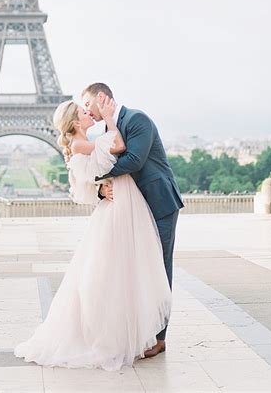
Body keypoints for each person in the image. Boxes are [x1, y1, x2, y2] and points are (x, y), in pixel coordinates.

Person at [14, 98, 172, 371]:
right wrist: (110, 121)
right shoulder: (81, 143)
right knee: (112, 272)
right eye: (83, 110)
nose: (88, 112)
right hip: (117, 207)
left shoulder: (91, 138)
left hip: (124, 204)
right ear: (75, 122)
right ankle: (111, 335)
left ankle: (128, 334)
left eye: (88, 106)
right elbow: (113, 155)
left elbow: (102, 165)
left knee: (121, 271)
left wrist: (99, 185)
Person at [82, 82, 184, 357]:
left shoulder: (137, 119)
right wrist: (99, 186)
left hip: (159, 203)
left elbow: (135, 161)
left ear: (102, 98)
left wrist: (93, 176)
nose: (86, 111)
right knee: (139, 270)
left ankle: (159, 337)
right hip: (134, 208)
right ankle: (142, 331)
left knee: (160, 268)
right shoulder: (108, 131)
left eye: (88, 104)